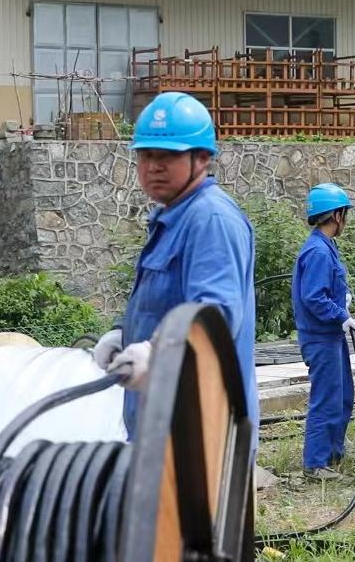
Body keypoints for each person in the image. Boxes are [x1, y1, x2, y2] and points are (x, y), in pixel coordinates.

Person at [91, 91, 259, 449]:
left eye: (167, 156)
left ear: (202, 159)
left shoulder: (210, 219)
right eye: (145, 155)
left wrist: (155, 352)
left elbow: (215, 317)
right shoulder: (171, 217)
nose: (153, 166)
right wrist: (124, 334)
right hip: (162, 429)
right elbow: (161, 303)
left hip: (200, 434)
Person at [291, 183, 355, 482]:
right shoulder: (318, 251)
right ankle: (315, 464)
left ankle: (333, 455)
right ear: (336, 215)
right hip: (321, 338)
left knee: (342, 396)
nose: (346, 219)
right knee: (326, 399)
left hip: (330, 336)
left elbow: (323, 290)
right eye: (345, 213)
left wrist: (341, 300)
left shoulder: (325, 247)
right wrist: (340, 313)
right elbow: (313, 297)